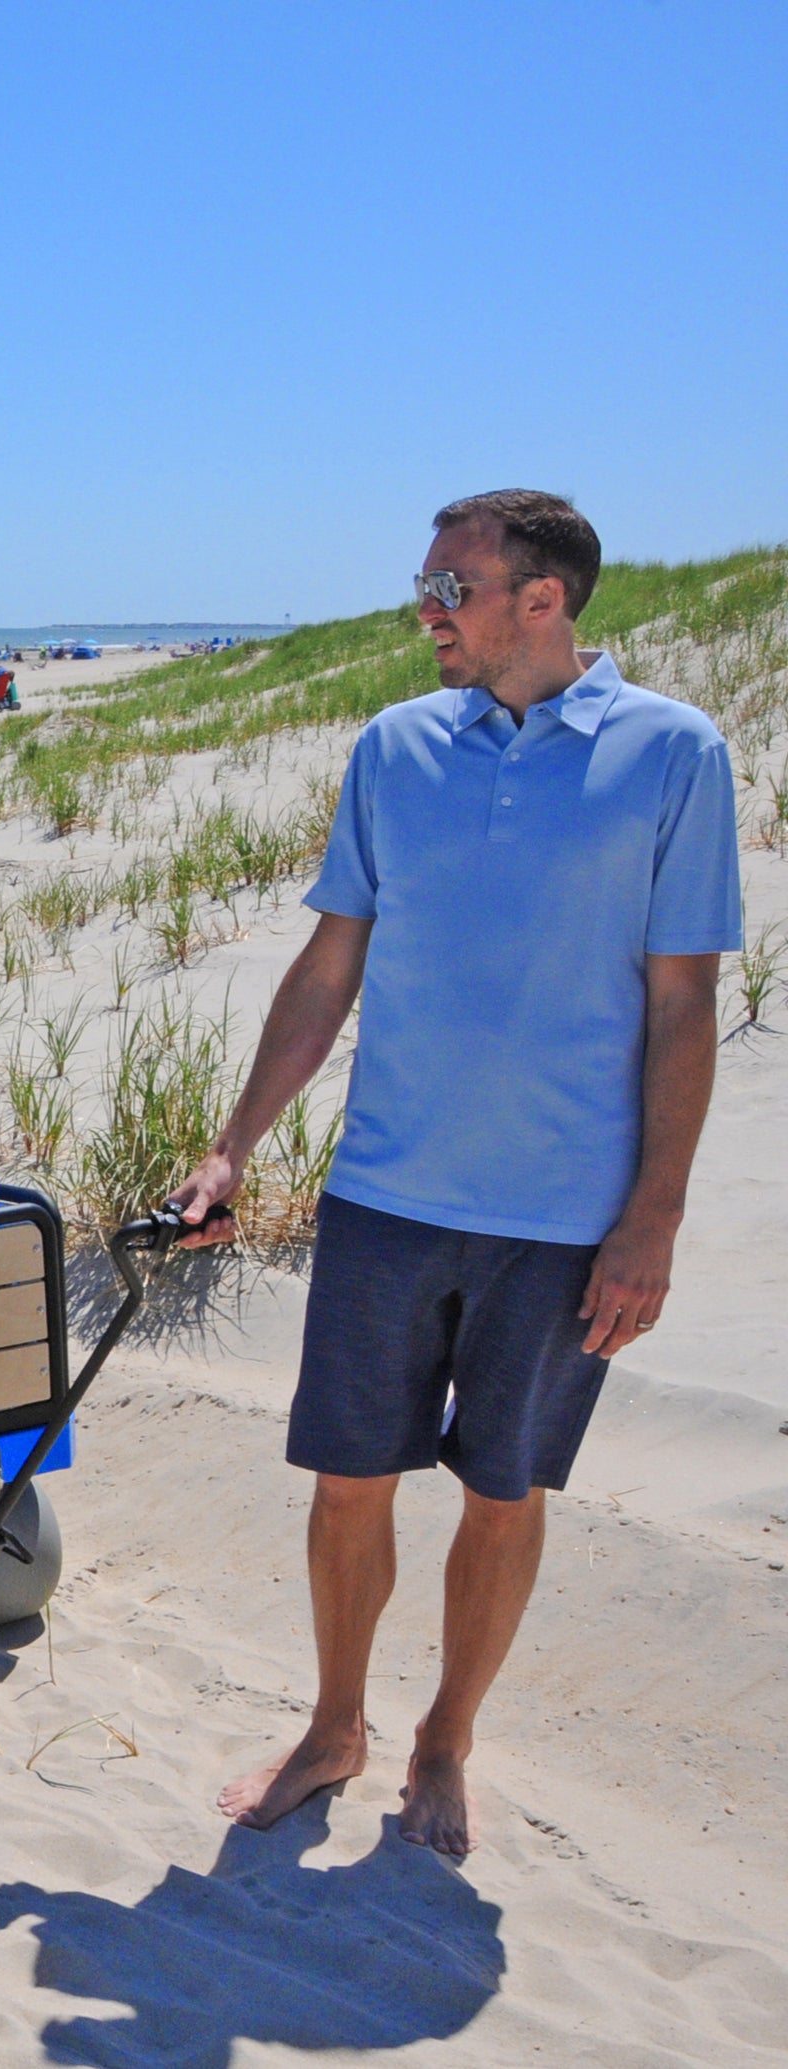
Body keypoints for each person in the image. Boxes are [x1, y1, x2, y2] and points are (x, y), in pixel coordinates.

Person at [171, 489, 741, 1858]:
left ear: (542, 599)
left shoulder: (675, 753)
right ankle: (336, 1726)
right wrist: (233, 1143)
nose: (425, 609)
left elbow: (682, 1005)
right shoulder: (394, 748)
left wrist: (653, 1219)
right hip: (386, 1196)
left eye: (450, 587)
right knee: (346, 1480)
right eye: (425, 584)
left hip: (563, 1219)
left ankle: (445, 1740)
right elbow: (329, 967)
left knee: (503, 1490)